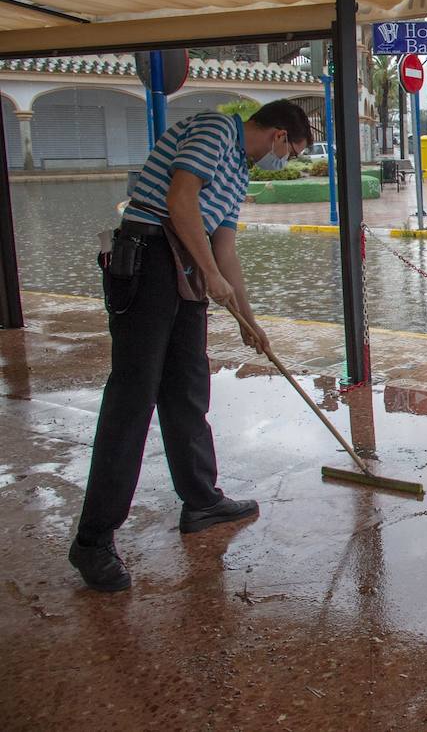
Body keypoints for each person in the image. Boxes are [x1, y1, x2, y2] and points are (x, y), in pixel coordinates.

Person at [69, 100, 313, 592]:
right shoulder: (216, 128)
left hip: (184, 266)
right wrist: (206, 273)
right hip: (150, 256)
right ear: (279, 136)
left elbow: (224, 248)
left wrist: (248, 318)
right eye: (288, 154)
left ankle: (201, 500)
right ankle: (93, 540)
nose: (280, 163)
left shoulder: (239, 175)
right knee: (133, 398)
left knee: (186, 388)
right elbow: (180, 200)